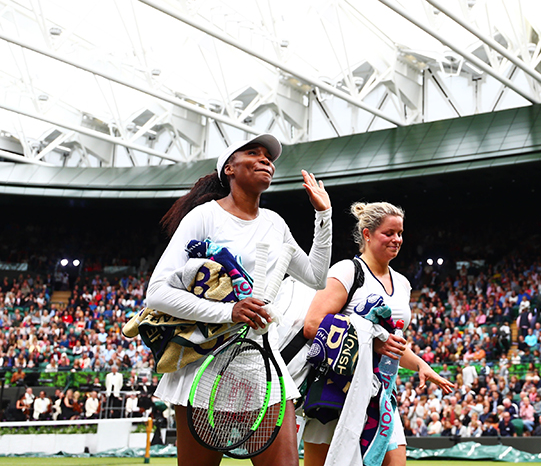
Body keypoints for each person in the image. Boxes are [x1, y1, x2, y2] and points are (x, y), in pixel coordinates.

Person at [147, 133, 334, 466]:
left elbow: (317, 278)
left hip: (263, 363)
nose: (266, 160)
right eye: (253, 152)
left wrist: (324, 217)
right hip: (204, 365)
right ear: (229, 168)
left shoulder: (275, 223)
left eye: (268, 156)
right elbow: (157, 292)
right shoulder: (204, 217)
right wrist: (229, 311)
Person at [302, 201, 455, 466]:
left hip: (381, 392)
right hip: (338, 390)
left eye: (400, 233)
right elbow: (313, 324)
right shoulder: (348, 271)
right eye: (389, 233)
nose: (397, 239)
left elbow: (392, 343)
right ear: (367, 234)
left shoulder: (404, 284)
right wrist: (372, 342)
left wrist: (420, 365)